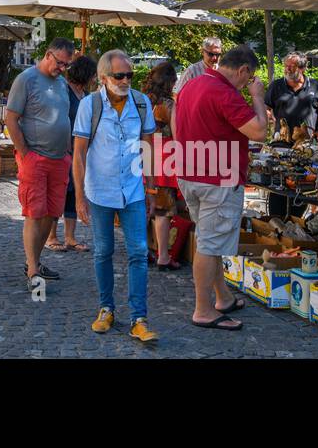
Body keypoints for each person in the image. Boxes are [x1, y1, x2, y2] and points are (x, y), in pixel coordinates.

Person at [173, 43, 268, 332]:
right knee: (209, 244)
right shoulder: (225, 93)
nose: (247, 84)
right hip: (217, 179)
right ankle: (203, 310)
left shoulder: (193, 83)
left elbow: (178, 122)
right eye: (248, 78)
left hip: (190, 173)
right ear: (243, 70)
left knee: (207, 239)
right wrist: (257, 97)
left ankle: (222, 297)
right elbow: (260, 132)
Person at [72, 51, 158, 342]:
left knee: (138, 252)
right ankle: (106, 308)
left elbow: (148, 147)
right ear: (103, 77)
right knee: (103, 251)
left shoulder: (142, 103)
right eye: (119, 76)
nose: (125, 81)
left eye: (129, 75)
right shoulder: (90, 105)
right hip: (100, 191)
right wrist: (80, 197)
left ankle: (139, 317)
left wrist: (152, 187)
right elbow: (79, 153)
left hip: (133, 189)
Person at [5, 37, 76, 291]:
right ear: (48, 55)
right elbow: (11, 118)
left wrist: (67, 150)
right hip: (35, 157)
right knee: (34, 213)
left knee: (52, 213)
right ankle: (33, 269)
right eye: (60, 63)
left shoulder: (61, 83)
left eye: (67, 65)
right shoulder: (27, 79)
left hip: (59, 159)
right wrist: (24, 153)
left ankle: (35, 261)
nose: (62, 68)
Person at [49, 55, 96, 251]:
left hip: (79, 152)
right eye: (93, 75)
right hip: (62, 150)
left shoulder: (84, 95)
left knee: (73, 193)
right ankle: (51, 236)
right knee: (58, 193)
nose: (95, 79)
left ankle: (70, 237)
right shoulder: (63, 91)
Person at [141, 60, 183, 270]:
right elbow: (177, 133)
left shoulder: (141, 100)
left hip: (142, 153)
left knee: (143, 205)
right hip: (164, 156)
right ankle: (163, 256)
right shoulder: (168, 104)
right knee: (162, 209)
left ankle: (143, 250)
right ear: (169, 82)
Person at [266, 53, 318, 141]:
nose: (287, 69)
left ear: (303, 68)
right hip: (281, 141)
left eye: (292, 66)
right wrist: (269, 118)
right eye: (286, 66)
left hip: (307, 143)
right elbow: (266, 107)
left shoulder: (315, 86)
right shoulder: (276, 86)